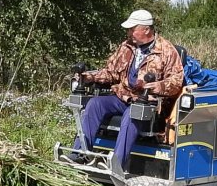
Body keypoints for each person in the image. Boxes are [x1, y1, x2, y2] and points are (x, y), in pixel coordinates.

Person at [70, 9, 184, 171]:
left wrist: (156, 86)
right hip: (122, 97)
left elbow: (176, 82)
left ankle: (116, 164)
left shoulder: (166, 50)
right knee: (95, 104)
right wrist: (90, 77)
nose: (129, 32)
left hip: (148, 104)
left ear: (146, 29)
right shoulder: (126, 47)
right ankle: (79, 154)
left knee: (132, 114)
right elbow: (111, 72)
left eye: (132, 29)